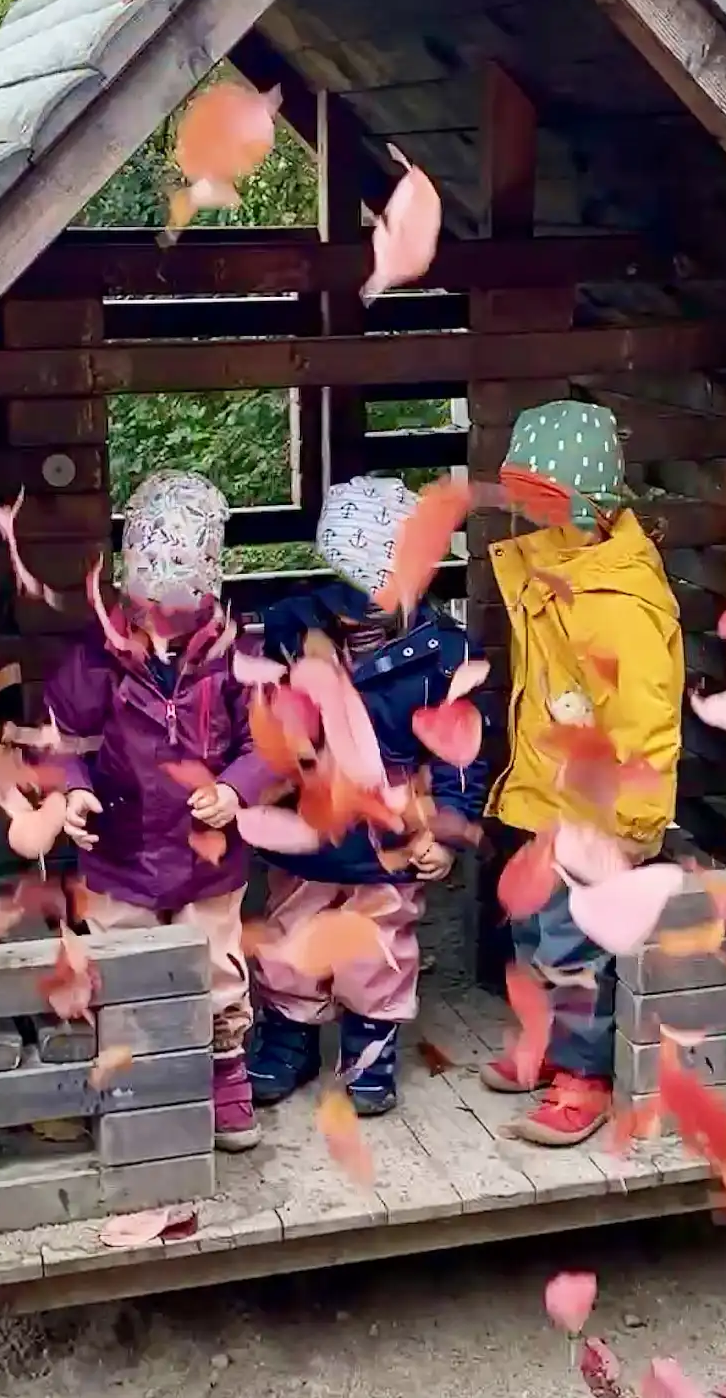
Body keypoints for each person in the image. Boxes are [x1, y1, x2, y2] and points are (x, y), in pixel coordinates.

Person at [242, 478, 489, 1116]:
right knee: (293, 936)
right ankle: (288, 1041)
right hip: (308, 828)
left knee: (380, 945)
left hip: (392, 837)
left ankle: (370, 1049)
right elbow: (259, 718)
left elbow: (460, 750)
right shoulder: (291, 629)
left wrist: (449, 825)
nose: (361, 607)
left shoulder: (442, 655)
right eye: (351, 587)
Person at [42, 470, 269, 1150]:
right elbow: (62, 736)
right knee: (121, 965)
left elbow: (269, 741)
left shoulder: (238, 653)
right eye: (150, 597)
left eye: (181, 598)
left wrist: (236, 789)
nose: (164, 615)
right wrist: (73, 789)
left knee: (219, 968)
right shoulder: (99, 654)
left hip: (208, 856)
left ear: (208, 584)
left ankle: (225, 1080)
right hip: (121, 851)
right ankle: (130, 1080)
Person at [481, 400, 684, 1146]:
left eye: (548, 501)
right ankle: (542, 1047)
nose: (532, 517)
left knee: (573, 949)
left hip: (597, 817)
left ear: (587, 505)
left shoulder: (617, 600)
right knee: (535, 935)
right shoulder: (556, 569)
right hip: (548, 798)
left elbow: (645, 723)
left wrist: (632, 825)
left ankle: (583, 1077)